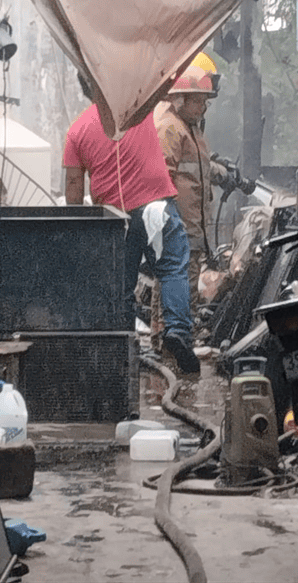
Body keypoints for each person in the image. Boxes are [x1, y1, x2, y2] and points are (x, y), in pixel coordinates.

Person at [62, 73, 200, 376]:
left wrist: (79, 225)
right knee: (172, 269)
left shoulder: (77, 131)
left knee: (120, 285)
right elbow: (160, 78)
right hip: (157, 208)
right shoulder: (139, 110)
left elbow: (73, 186)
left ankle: (124, 346)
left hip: (115, 219)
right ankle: (177, 331)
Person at [153, 58, 231, 319]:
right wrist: (169, 220)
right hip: (179, 222)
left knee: (188, 275)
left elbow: (198, 170)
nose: (202, 107)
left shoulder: (191, 130)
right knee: (177, 279)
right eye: (197, 101)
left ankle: (180, 329)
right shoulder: (170, 129)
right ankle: (172, 333)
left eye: (204, 101)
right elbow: (163, 178)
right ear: (180, 100)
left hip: (192, 221)